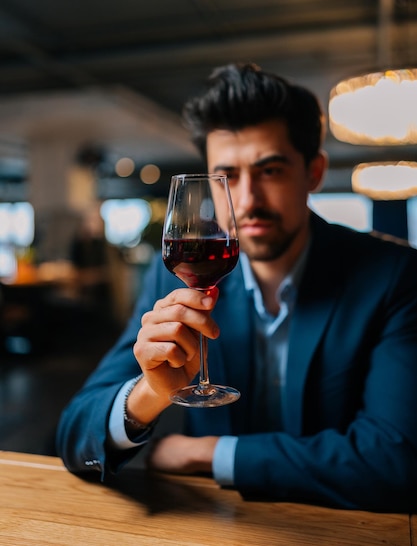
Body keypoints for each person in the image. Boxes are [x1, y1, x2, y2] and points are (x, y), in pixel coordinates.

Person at [56, 63, 417, 512]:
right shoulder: (172, 277)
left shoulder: (394, 275)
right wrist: (151, 393)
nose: (247, 201)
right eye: (228, 176)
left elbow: (398, 462)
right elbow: (75, 433)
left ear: (314, 173)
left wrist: (209, 453)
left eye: (270, 171)